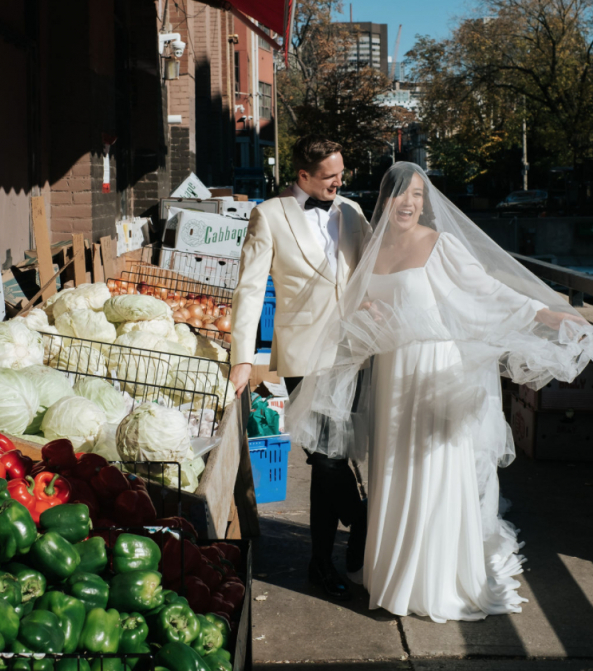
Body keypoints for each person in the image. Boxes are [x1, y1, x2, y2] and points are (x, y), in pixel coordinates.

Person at [287, 162, 591, 623]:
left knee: (433, 469)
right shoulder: (372, 246)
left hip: (433, 368)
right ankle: (392, 575)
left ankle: (438, 580)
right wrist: (368, 305)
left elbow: (487, 291)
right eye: (399, 194)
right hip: (391, 373)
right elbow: (357, 300)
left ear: (425, 202)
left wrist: (547, 314)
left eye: (417, 195)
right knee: (393, 470)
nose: (408, 203)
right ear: (384, 201)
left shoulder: (440, 244)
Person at [230, 135, 371, 601]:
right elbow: (250, 290)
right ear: (303, 175)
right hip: (304, 354)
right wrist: (242, 359)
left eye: (341, 173)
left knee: (331, 459)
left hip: (351, 351)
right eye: (330, 176)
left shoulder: (351, 212)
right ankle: (360, 518)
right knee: (325, 458)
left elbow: (376, 269)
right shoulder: (268, 215)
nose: (339, 181)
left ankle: (320, 562)